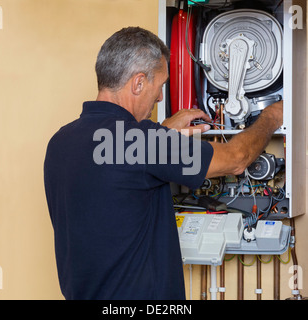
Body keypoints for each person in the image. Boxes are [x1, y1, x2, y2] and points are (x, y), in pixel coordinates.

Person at [44, 26, 283, 300]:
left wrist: (161, 132)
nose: (160, 97)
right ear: (138, 83)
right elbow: (237, 159)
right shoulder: (143, 143)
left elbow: (120, 167)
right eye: (160, 86)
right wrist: (272, 118)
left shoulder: (61, 141)